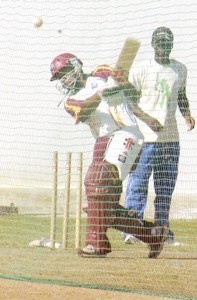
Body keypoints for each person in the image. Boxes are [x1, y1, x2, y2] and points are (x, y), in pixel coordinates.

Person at [50, 53, 167, 258]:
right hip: (103, 141)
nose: (64, 80)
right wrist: (101, 93)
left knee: (97, 180)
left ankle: (97, 244)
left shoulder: (102, 73)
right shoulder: (70, 101)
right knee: (101, 205)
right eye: (60, 78)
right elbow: (84, 111)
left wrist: (121, 84)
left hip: (125, 132)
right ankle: (153, 235)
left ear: (76, 66)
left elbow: (131, 93)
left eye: (65, 73)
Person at [123, 27, 195, 244]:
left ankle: (162, 233)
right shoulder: (141, 69)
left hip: (170, 140)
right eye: (160, 44)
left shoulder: (180, 69)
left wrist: (187, 114)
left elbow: (181, 95)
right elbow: (130, 101)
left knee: (165, 188)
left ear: (171, 45)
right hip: (144, 139)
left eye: (167, 44)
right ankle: (132, 231)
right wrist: (148, 119)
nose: (164, 48)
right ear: (153, 45)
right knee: (138, 184)